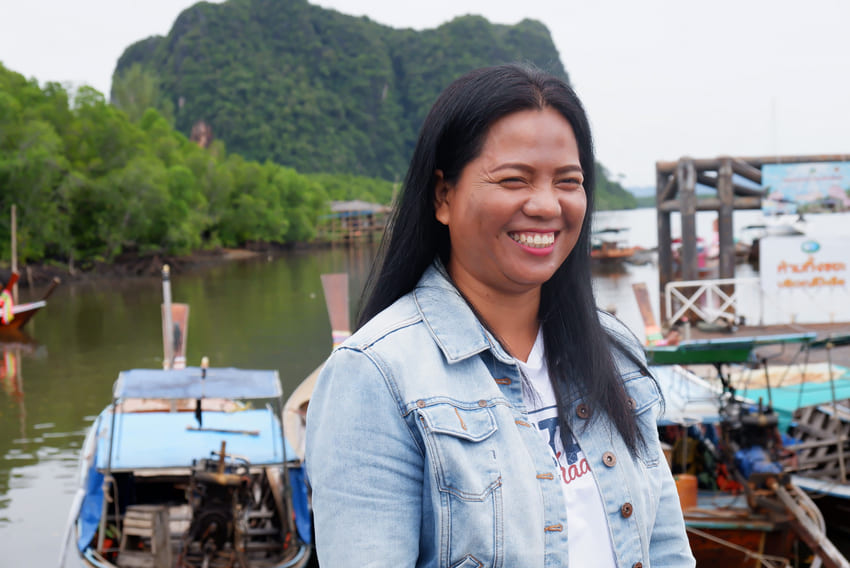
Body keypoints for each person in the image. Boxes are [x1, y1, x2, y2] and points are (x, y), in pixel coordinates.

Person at [305, 63, 695, 567]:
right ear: (443, 196)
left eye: (568, 181)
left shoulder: (614, 352)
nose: (545, 205)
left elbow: (665, 551)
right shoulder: (376, 374)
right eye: (515, 180)